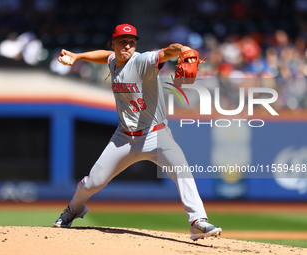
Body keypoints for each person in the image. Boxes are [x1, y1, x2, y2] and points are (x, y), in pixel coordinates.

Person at [53, 24, 222, 240]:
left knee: (182, 170)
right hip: (123, 138)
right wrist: (77, 56)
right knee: (92, 183)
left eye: (132, 42)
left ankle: (197, 221)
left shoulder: (143, 61)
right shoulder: (114, 59)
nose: (128, 45)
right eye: (123, 41)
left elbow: (168, 50)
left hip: (155, 134)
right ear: (113, 44)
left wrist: (184, 50)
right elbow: (105, 56)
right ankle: (73, 210)